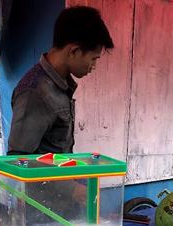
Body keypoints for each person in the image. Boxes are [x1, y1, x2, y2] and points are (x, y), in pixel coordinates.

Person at [7, 6, 114, 155]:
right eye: (93, 59)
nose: (93, 66)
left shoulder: (61, 85)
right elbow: (18, 162)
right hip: (48, 179)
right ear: (74, 51)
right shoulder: (35, 92)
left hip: (62, 177)